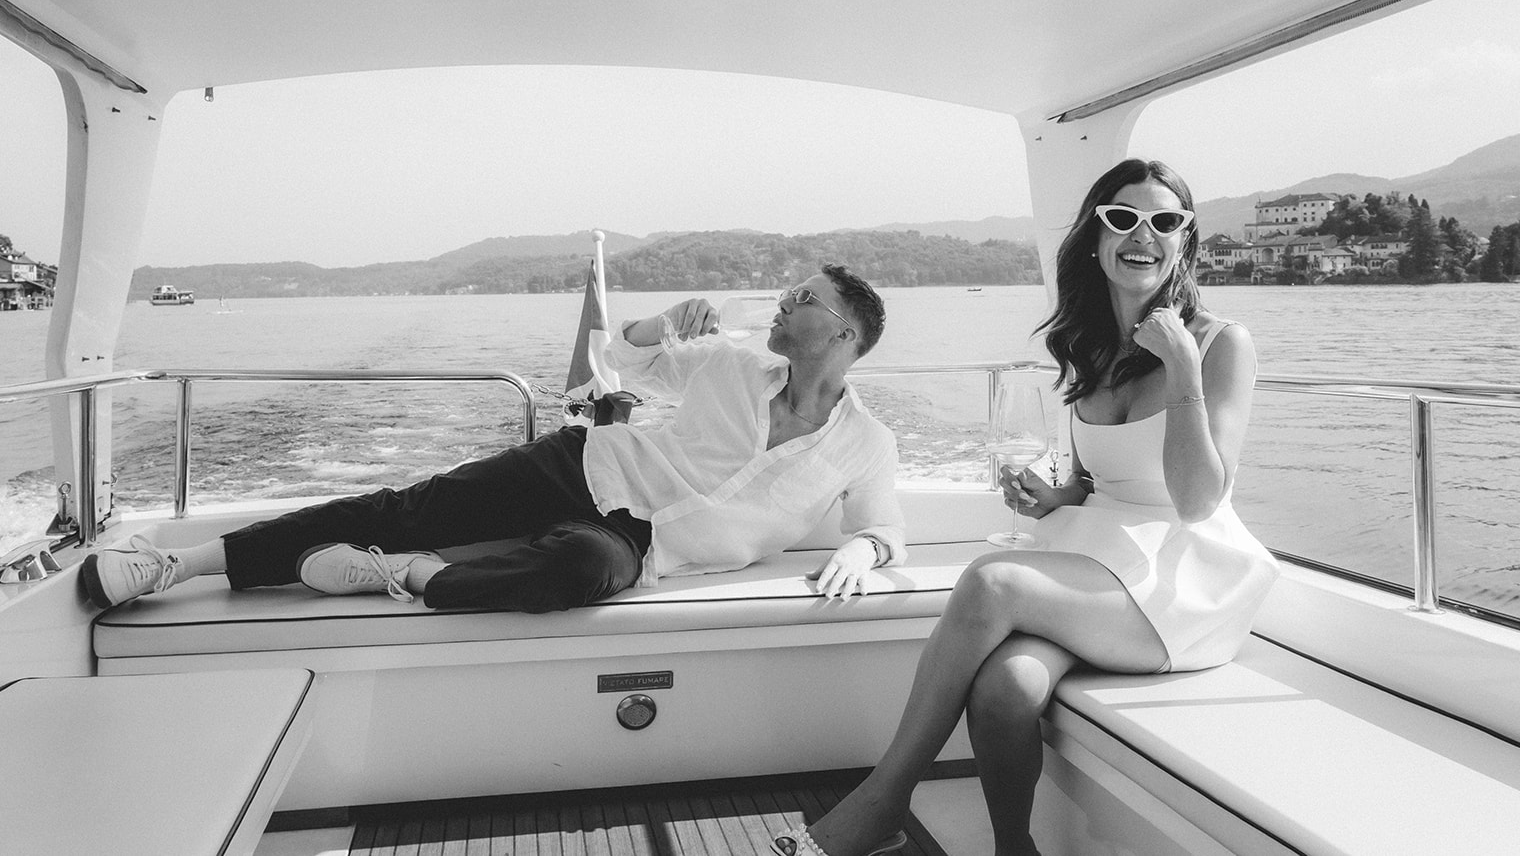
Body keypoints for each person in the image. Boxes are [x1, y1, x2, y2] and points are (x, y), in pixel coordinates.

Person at [774, 160, 1278, 856]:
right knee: (1005, 689)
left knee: (991, 578)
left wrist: (1185, 367)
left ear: (1185, 239)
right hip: (1105, 567)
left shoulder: (1224, 344)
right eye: (1123, 218)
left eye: (1166, 221)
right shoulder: (1089, 348)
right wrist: (1062, 496)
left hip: (1183, 584)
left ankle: (881, 801)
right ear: (1095, 236)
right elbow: (1111, 479)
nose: (1144, 235)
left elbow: (1196, 500)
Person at [81, 265, 904, 612]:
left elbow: (882, 527)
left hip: (640, 543)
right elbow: (613, 360)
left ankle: (403, 577)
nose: (783, 300)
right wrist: (659, 319)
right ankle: (174, 565)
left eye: (803, 296)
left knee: (582, 570)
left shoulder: (864, 442)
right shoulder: (728, 360)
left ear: (840, 335)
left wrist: (865, 554)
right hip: (585, 465)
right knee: (407, 505)